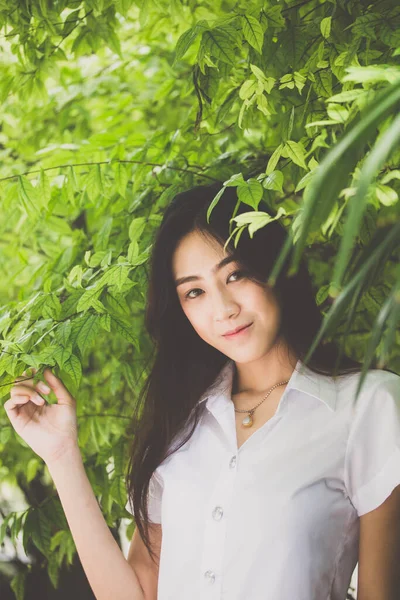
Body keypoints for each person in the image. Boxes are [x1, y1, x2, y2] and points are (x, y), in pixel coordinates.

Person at [4, 183, 400, 600]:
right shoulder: (178, 422)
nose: (224, 307)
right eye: (195, 291)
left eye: (236, 274)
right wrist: (62, 455)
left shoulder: (367, 405)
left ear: (277, 266)